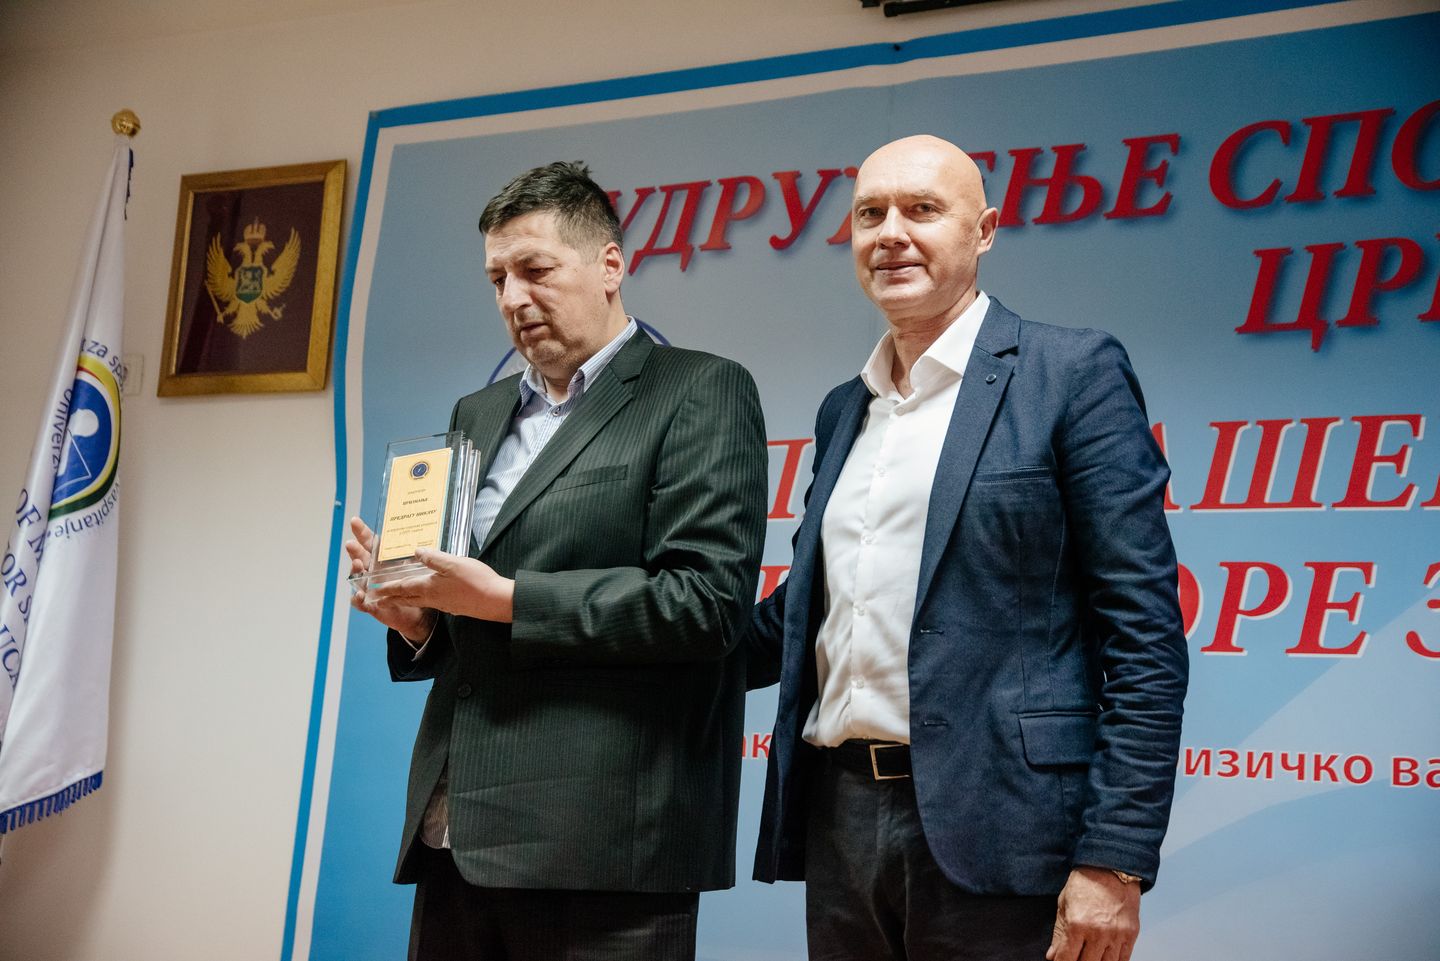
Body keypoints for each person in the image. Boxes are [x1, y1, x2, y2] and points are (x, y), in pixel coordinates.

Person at [747, 135, 1188, 961]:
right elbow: (802, 616)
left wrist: (1115, 855)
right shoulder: (846, 407)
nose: (891, 234)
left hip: (1005, 828)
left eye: (922, 209)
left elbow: (1145, 636)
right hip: (841, 822)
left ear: (983, 231)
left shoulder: (1070, 373)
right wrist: (596, 621)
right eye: (870, 214)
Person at [346, 160, 768, 961]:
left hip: (603, 852)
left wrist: (507, 598)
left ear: (610, 265)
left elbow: (705, 604)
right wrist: (419, 623)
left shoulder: (699, 390)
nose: (513, 297)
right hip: (453, 837)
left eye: (534, 269)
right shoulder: (476, 411)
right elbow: (466, 622)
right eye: (497, 278)